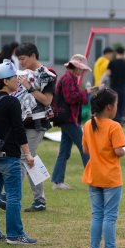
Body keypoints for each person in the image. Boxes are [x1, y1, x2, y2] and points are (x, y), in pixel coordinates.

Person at [0, 60, 37, 245]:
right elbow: (18, 130)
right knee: (14, 196)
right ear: (6, 81)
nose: (18, 80)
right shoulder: (12, 101)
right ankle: (15, 235)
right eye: (15, 77)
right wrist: (28, 154)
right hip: (9, 156)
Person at [0, 43, 55, 212]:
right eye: (19, 59)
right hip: (21, 122)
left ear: (32, 56)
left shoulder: (46, 74)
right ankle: (39, 200)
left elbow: (47, 101)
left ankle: (8, 195)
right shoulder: (20, 74)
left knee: (25, 157)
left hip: (37, 123)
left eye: (23, 58)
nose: (21, 62)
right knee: (31, 159)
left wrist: (29, 87)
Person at [82, 88, 125, 248]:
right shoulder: (114, 126)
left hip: (94, 175)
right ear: (110, 107)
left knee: (97, 215)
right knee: (109, 216)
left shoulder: (88, 125)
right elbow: (119, 151)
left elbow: (86, 150)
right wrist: (121, 152)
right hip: (110, 178)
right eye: (117, 104)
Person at [51, 54, 94, 190]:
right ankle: (93, 179)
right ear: (76, 67)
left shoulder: (68, 77)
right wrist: (85, 93)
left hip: (66, 119)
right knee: (84, 147)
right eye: (82, 69)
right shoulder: (69, 79)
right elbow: (71, 98)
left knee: (64, 151)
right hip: (69, 119)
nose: (82, 72)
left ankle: (58, 181)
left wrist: (85, 93)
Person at [105, 47, 125, 124]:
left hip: (113, 87)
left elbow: (108, 73)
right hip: (122, 87)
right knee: (122, 103)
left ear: (117, 53)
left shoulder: (112, 62)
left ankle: (115, 119)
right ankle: (120, 119)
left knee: (113, 103)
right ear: (123, 53)